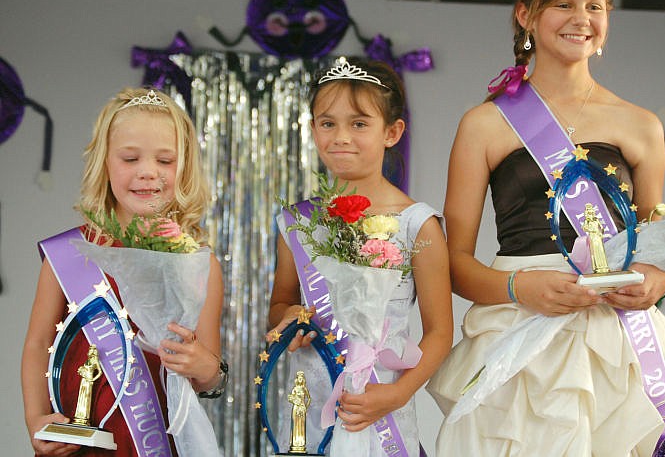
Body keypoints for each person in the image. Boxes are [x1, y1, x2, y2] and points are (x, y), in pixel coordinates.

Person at [427, 0, 665, 456]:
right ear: (527, 15)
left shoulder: (642, 126)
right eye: (564, 4)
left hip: (607, 340)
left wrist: (656, 281)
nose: (581, 19)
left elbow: (659, 249)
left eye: (596, 6)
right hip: (517, 328)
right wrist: (520, 287)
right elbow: (451, 264)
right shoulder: (484, 124)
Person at [21, 87, 225, 457]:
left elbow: (208, 374)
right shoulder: (68, 255)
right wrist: (37, 419)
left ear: (185, 167)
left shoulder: (199, 264)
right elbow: (38, 345)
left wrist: (206, 367)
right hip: (77, 441)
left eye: (165, 161)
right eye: (130, 158)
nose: (148, 172)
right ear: (104, 163)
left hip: (159, 443)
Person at [268, 58, 453, 456]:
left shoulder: (417, 224)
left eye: (359, 123)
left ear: (392, 132)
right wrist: (288, 321)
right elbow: (281, 303)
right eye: (327, 122)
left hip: (382, 406)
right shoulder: (297, 223)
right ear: (313, 128)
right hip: (311, 407)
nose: (341, 136)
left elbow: (440, 333)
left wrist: (398, 393)